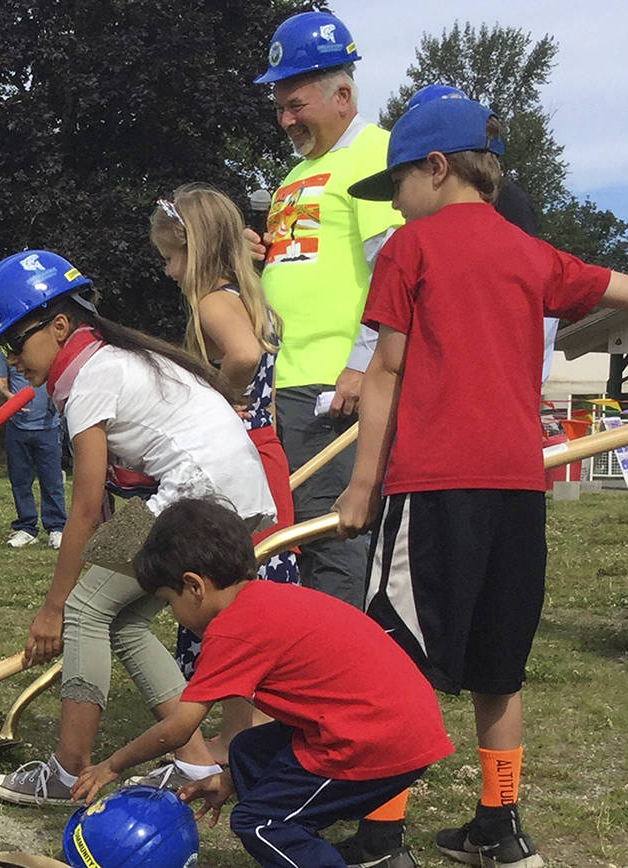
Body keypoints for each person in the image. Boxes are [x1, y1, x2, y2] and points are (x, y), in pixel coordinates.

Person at [336, 95, 628, 868]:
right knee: (501, 667)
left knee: (393, 660)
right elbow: (619, 288)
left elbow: (385, 371)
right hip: (518, 493)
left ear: (437, 168)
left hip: (433, 487)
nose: (395, 203)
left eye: (398, 184)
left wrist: (362, 486)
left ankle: (381, 836)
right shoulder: (533, 254)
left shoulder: (410, 247)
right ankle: (499, 824)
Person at [0, 250, 275, 807]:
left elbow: (85, 505)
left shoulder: (92, 376)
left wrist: (54, 607)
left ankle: (67, 772)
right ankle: (194, 761)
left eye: (16, 342)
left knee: (85, 609)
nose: (12, 359)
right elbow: (107, 509)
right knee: (127, 621)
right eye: (3, 350)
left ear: (59, 325)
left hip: (199, 494)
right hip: (229, 493)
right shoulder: (109, 360)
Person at [71, 498, 453, 868]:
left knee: (260, 823)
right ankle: (290, 826)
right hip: (401, 720)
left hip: (373, 740)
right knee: (248, 749)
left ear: (194, 587)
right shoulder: (265, 599)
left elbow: (178, 729)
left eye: (169, 602)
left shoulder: (231, 631)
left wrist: (112, 765)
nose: (173, 615)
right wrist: (228, 780)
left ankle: (287, 828)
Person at [251, 11, 403, 609]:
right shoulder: (296, 173)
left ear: (343, 95)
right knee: (294, 539)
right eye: (279, 108)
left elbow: (393, 269)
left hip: (333, 387)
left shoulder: (376, 153)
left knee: (332, 540)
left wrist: (365, 364)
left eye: (296, 105)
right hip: (283, 383)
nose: (286, 120)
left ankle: (339, 664)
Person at [149, 183, 300, 758]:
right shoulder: (249, 297)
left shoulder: (212, 301)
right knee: (254, 596)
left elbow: (244, 356)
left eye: (172, 257)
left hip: (238, 461)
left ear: (197, 249)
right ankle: (247, 731)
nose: (167, 271)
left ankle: (241, 732)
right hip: (265, 448)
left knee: (226, 590)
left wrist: (213, 397)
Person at [0, 349, 66, 549]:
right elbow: (1, 383)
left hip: (48, 427)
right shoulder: (5, 353)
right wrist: (11, 398)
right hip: (16, 426)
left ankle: (56, 527)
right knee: (20, 481)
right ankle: (26, 528)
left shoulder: (48, 350)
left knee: (52, 480)